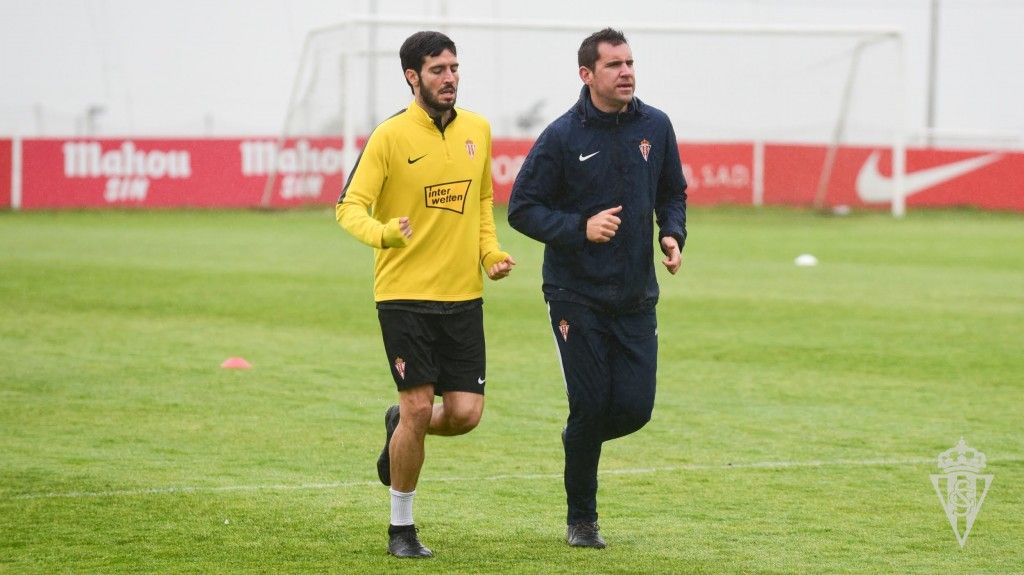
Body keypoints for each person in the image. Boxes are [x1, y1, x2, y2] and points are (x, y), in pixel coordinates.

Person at [336, 30, 515, 559]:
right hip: (404, 295)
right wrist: (384, 233)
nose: (450, 78)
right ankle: (401, 527)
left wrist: (489, 254)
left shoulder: (477, 130)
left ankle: (399, 430)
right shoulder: (389, 136)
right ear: (413, 77)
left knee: (464, 415)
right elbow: (349, 207)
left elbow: (481, 202)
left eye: (454, 68)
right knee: (417, 406)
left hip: (463, 296)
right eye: (438, 70)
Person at [507, 27, 687, 549]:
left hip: (635, 296)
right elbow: (522, 208)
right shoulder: (563, 136)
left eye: (630, 62)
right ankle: (582, 521)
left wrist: (671, 232)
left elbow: (672, 190)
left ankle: (577, 443)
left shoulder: (657, 125)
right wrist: (578, 229)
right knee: (590, 406)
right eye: (614, 65)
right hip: (575, 295)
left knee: (634, 409)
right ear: (587, 75)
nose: (626, 71)